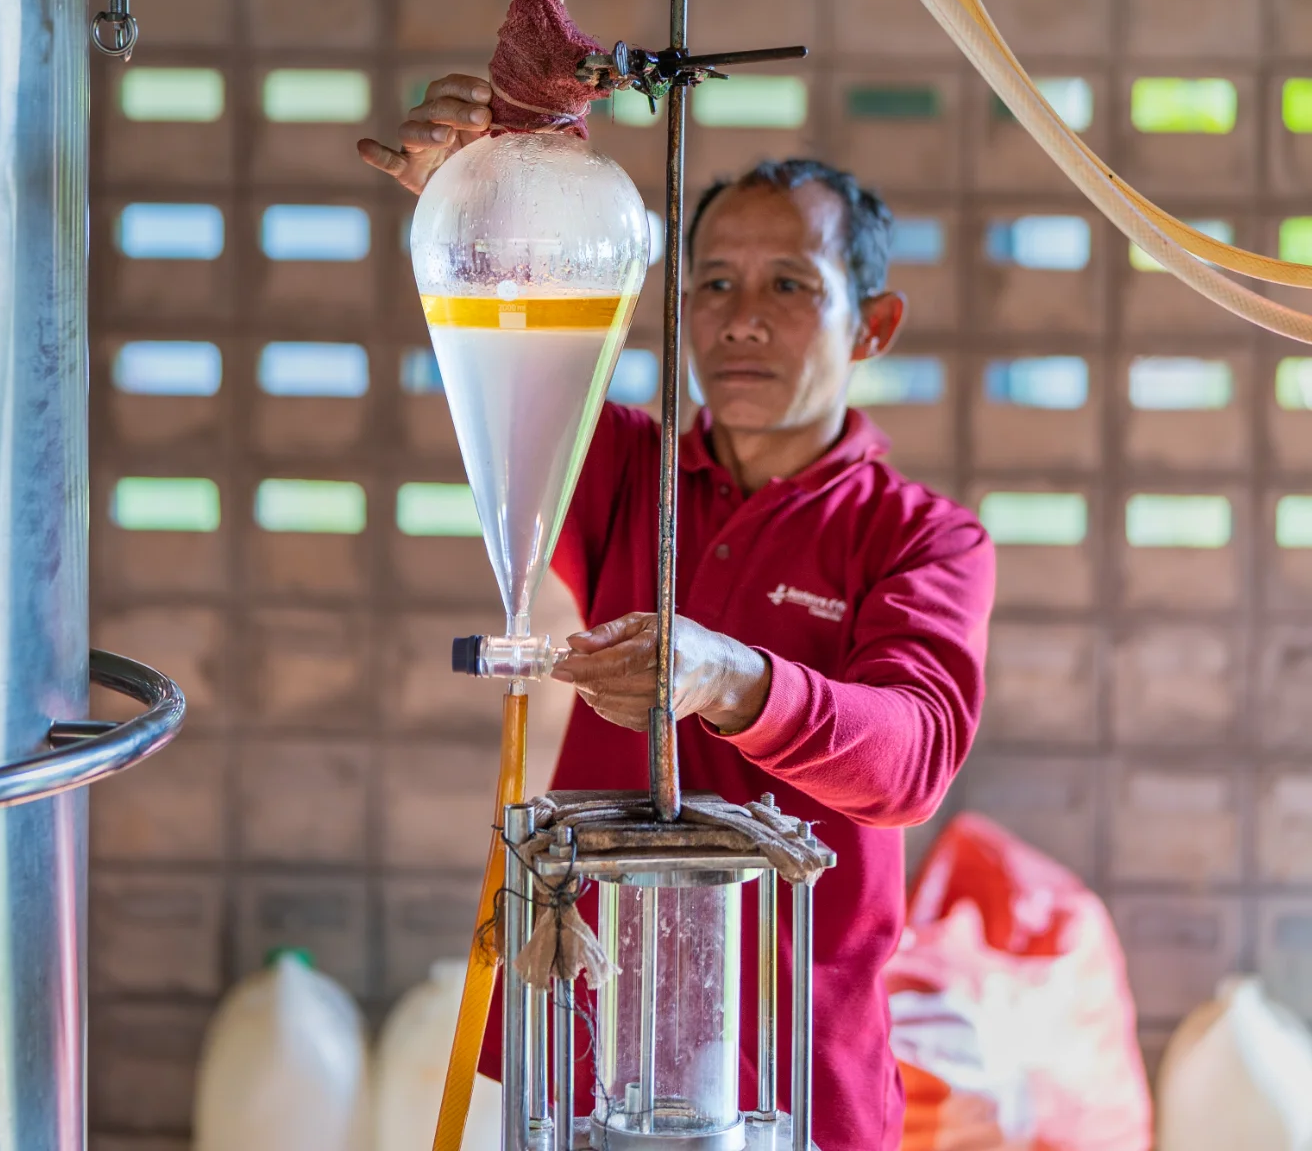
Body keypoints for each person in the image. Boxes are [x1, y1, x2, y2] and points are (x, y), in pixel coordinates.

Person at [360, 76, 996, 1151]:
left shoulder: (920, 537)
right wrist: (475, 205)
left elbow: (913, 757)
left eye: (790, 284)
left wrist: (729, 678)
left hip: (791, 1068)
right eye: (711, 282)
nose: (741, 317)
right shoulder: (618, 469)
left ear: (872, 324)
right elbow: (510, 360)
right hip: (585, 1053)